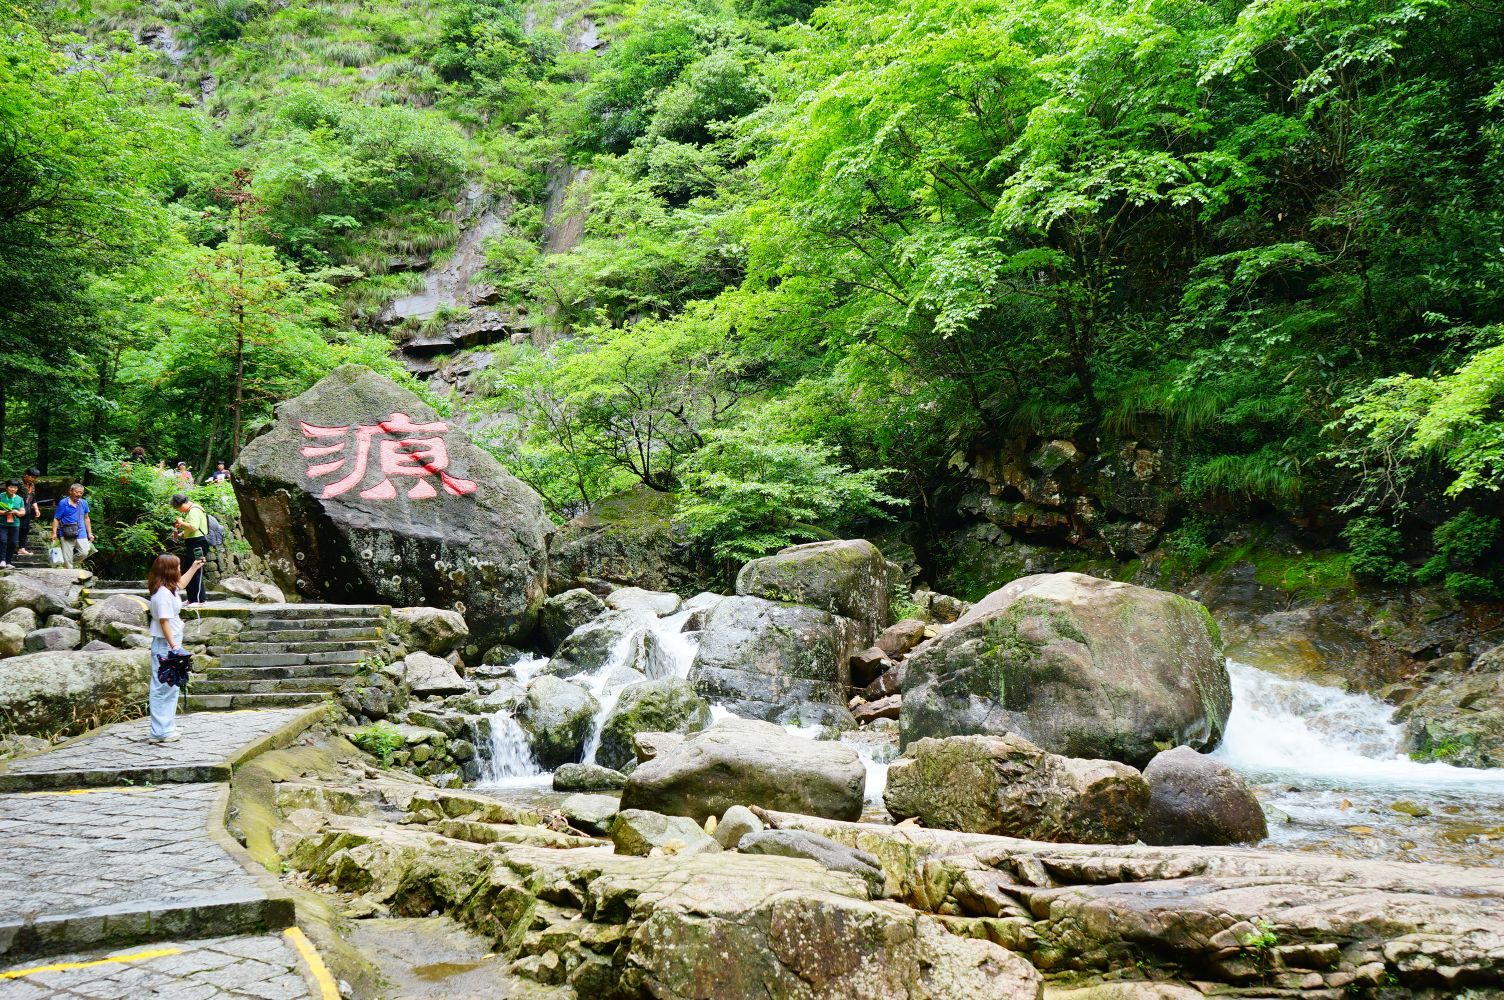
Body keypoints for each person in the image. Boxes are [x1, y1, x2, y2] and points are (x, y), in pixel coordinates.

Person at [146, 552, 204, 743]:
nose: (180, 570)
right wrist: (174, 647)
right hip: (166, 644)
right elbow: (164, 622)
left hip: (171, 642)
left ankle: (165, 728)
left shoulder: (168, 588)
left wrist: (194, 567)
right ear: (170, 570)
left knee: (171, 686)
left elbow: (182, 584)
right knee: (163, 686)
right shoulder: (162, 594)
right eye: (178, 567)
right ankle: (160, 731)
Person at [171, 493, 210, 606]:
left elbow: (194, 527)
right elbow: (191, 530)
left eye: (178, 508)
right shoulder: (190, 511)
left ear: (182, 503)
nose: (179, 510)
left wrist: (181, 522)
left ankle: (199, 600)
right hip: (193, 542)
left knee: (196, 569)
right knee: (189, 569)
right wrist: (181, 534)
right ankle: (192, 599)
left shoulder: (194, 510)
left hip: (198, 543)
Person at [50, 483, 94, 568]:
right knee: (67, 557)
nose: (79, 494)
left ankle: (68, 565)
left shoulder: (84, 503)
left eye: (81, 493)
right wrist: (54, 533)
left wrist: (90, 533)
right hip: (66, 532)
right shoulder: (63, 503)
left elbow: (86, 518)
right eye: (77, 492)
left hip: (81, 532)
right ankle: (69, 569)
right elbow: (56, 519)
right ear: (71, 491)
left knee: (84, 552)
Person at [16, 468, 40, 556]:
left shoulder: (32, 485)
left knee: (25, 529)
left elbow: (33, 498)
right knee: (16, 529)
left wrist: (36, 509)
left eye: (35, 478)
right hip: (17, 510)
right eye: (32, 477)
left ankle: (22, 548)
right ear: (26, 475)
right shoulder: (18, 483)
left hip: (27, 510)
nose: (33, 479)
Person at [0, 481, 23, 569]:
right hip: (2, 523)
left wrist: (17, 512)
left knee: (13, 543)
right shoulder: (1, 496)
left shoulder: (19, 499)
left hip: (15, 524)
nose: (13, 489)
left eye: (15, 488)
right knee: (2, 540)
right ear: (6, 487)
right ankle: (2, 560)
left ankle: (8, 561)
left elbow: (23, 512)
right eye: (11, 487)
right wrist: (5, 512)